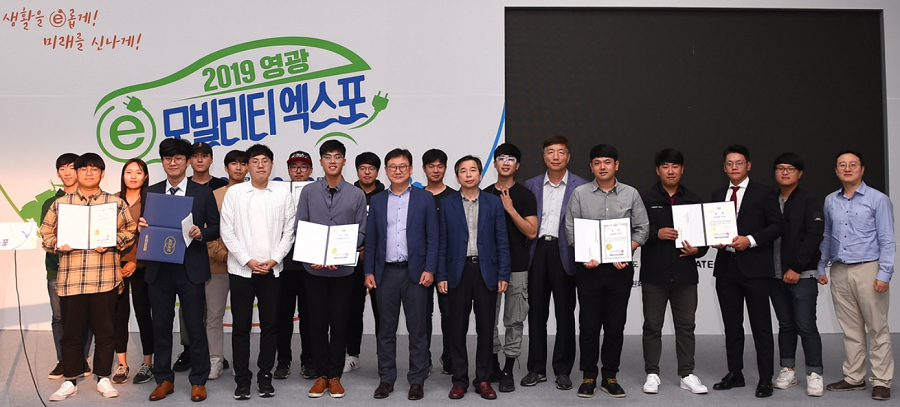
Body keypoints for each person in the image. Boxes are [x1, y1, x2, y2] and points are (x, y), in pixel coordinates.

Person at [41, 153, 137, 401]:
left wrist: (113, 241)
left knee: (105, 332)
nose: (89, 173)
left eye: (95, 169)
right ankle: (70, 380)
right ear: (77, 173)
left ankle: (103, 377)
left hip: (104, 278)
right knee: (71, 333)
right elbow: (45, 233)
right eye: (84, 169)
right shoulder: (62, 204)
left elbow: (130, 230)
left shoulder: (114, 203)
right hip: (72, 280)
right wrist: (57, 244)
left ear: (102, 174)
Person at [564, 144, 649, 399]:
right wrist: (583, 253)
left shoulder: (631, 193)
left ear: (616, 165)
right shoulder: (579, 193)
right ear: (591, 166)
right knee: (589, 325)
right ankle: (588, 376)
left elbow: (643, 228)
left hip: (619, 269)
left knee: (615, 325)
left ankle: (610, 376)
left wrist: (626, 251)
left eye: (608, 162)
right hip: (589, 269)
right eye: (598, 162)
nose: (603, 167)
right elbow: (571, 229)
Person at [141, 138, 219, 402]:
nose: (172, 163)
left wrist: (201, 233)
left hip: (190, 268)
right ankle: (164, 379)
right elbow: (144, 225)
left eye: (177, 158)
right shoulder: (151, 192)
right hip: (159, 269)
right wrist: (141, 226)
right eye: (167, 159)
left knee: (195, 326)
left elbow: (216, 227)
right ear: (162, 162)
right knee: (161, 326)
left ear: (187, 162)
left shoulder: (202, 192)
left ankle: (198, 380)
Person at [221, 144, 297, 400]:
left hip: (273, 272)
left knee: (270, 325)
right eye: (255, 161)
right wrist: (247, 260)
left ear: (272, 165)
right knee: (241, 326)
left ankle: (265, 375)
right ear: (248, 166)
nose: (260, 165)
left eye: (265, 161)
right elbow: (226, 231)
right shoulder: (235, 193)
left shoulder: (282, 193)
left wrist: (274, 260)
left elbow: (289, 231)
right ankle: (242, 379)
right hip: (241, 271)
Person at [819, 150, 894, 401]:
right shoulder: (830, 200)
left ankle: (881, 380)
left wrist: (884, 273)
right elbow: (827, 235)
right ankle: (853, 377)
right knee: (850, 329)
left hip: (869, 268)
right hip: (840, 269)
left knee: (877, 328)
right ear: (836, 171)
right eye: (842, 165)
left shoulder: (878, 199)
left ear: (862, 169)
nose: (847, 168)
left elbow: (887, 238)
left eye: (853, 164)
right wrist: (821, 265)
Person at [295, 139, 367, 398]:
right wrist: (310, 255)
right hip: (314, 269)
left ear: (344, 161)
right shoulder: (308, 192)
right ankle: (321, 375)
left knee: (339, 323)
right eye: (328, 156)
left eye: (337, 156)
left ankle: (335, 375)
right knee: (316, 323)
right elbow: (300, 225)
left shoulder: (356, 194)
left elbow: (361, 231)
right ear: (321, 162)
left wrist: (343, 255)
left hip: (343, 271)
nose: (333, 161)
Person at [364, 148, 438, 400]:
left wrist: (430, 269)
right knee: (386, 329)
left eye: (403, 166)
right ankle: (386, 379)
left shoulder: (424, 198)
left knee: (418, 330)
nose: (398, 171)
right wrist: (369, 271)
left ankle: (417, 380)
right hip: (385, 273)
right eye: (393, 167)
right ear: (386, 171)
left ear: (411, 169)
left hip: (415, 273)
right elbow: (372, 240)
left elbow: (433, 237)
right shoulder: (377, 201)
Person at [710, 144, 783, 398]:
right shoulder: (718, 194)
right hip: (726, 269)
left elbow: (777, 226)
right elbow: (713, 228)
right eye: (729, 163)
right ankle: (735, 373)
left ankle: (765, 378)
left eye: (739, 163)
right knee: (732, 326)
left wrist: (750, 240)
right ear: (724, 167)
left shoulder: (764, 193)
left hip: (755, 269)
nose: (734, 167)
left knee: (761, 327)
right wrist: (715, 240)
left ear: (748, 165)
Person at [438, 155, 511, 400]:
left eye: (473, 170)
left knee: (486, 329)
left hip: (485, 272)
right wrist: (441, 275)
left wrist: (503, 273)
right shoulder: (447, 204)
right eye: (463, 171)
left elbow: (502, 241)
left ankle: (483, 380)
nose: (468, 174)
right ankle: (459, 380)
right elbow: (442, 242)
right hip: (456, 273)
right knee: (456, 329)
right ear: (457, 176)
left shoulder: (493, 202)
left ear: (480, 174)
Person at [639, 149, 709, 395]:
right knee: (652, 326)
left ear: (682, 169)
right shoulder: (645, 198)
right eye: (665, 166)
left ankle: (687, 374)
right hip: (654, 275)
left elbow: (704, 240)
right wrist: (655, 233)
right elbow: (634, 230)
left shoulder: (693, 199)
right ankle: (652, 373)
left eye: (675, 166)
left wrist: (697, 250)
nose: (670, 171)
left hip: (685, 275)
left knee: (686, 326)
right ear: (657, 170)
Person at [522, 135, 587, 390]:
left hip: (565, 252)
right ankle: (536, 369)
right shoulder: (531, 185)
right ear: (544, 156)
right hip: (538, 250)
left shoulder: (581, 186)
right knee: (536, 313)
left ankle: (563, 370)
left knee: (565, 314)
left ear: (568, 157)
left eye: (560, 152)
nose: (555, 157)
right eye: (550, 152)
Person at [767, 153, 826, 396]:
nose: (785, 172)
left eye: (790, 168)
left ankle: (814, 373)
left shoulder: (810, 200)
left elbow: (814, 236)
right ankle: (788, 369)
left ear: (799, 173)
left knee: (806, 325)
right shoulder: (770, 200)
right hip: (775, 276)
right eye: (780, 168)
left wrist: (796, 268)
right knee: (786, 325)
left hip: (802, 275)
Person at [167, 141, 227, 373]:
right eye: (195, 156)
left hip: (215, 258)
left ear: (211, 159)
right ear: (189, 160)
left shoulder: (220, 187)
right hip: (185, 258)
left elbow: (216, 226)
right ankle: (188, 351)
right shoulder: (177, 186)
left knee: (211, 313)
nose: (200, 160)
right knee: (189, 311)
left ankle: (212, 355)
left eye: (205, 155)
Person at [483, 143, 537, 392]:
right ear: (494, 163)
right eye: (501, 158)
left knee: (514, 320)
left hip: (517, 266)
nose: (505, 162)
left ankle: (508, 368)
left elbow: (532, 232)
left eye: (511, 159)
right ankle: (493, 363)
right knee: (488, 319)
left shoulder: (525, 195)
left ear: (517, 165)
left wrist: (510, 209)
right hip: (488, 268)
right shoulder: (484, 194)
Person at [41, 153, 94, 381]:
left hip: (85, 268)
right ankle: (63, 360)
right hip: (57, 269)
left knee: (86, 316)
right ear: (57, 173)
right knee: (59, 316)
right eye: (62, 168)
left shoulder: (90, 199)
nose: (68, 172)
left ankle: (81, 358)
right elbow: (46, 235)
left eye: (72, 167)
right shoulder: (50, 203)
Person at [275, 150, 317, 380]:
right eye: (294, 167)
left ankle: (309, 360)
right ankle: (283, 360)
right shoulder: (279, 193)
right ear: (288, 170)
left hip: (310, 263)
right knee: (283, 315)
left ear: (311, 170)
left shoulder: (318, 192)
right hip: (284, 263)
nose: (299, 171)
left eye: (303, 167)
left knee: (309, 315)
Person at [112, 158, 154, 385]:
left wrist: (135, 262)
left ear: (145, 176)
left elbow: (152, 236)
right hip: (115, 266)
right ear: (123, 175)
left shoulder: (151, 201)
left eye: (138, 172)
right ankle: (122, 363)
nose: (133, 176)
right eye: (129, 172)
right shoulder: (112, 200)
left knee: (143, 313)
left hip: (141, 265)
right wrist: (119, 263)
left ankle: (148, 363)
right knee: (119, 315)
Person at [206, 149, 247, 380]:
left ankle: (242, 362)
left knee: (243, 317)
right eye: (233, 163)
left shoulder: (255, 194)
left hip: (248, 266)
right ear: (225, 167)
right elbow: (207, 230)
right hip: (219, 264)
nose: (238, 167)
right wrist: (222, 255)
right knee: (214, 315)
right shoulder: (214, 195)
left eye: (243, 163)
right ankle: (216, 359)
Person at [346, 151, 386, 373]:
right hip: (352, 261)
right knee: (353, 310)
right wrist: (357, 247)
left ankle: (384, 355)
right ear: (357, 171)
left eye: (371, 168)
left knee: (382, 311)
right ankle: (352, 355)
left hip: (379, 263)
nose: (367, 172)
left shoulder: (386, 196)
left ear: (378, 172)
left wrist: (370, 249)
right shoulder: (349, 194)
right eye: (362, 168)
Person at [422, 148, 456, 375]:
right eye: (431, 166)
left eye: (440, 166)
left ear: (445, 168)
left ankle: (449, 355)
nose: (435, 170)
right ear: (424, 169)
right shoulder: (416, 196)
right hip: (422, 265)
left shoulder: (454, 197)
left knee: (450, 314)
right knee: (423, 315)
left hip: (448, 263)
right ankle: (423, 358)